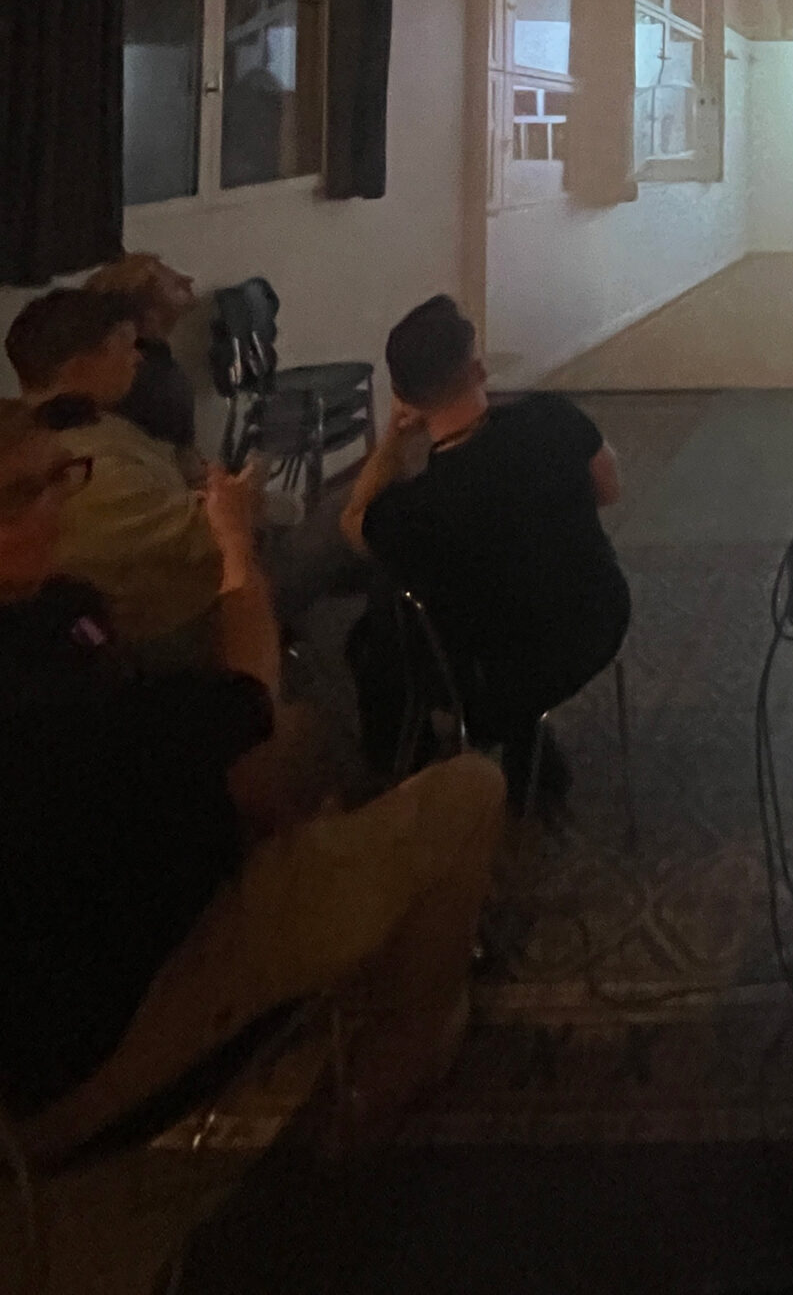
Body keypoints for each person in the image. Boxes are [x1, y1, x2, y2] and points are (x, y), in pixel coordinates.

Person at [0, 396, 505, 1157]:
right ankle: (397, 1065)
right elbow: (247, 694)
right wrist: (233, 540)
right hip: (95, 1037)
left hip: (117, 898)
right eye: (18, 496)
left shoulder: (55, 609)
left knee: (298, 748)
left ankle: (343, 909)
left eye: (58, 477)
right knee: (469, 790)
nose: (55, 506)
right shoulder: (36, 700)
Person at [342, 297, 630, 809]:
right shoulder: (552, 417)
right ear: (477, 370)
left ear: (403, 396)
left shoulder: (415, 511)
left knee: (381, 622)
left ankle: (405, 778)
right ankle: (530, 757)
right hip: (600, 621)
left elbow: (352, 523)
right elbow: (608, 489)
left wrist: (391, 442)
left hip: (500, 678)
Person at [6, 287, 221, 647]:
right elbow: (207, 536)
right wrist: (249, 488)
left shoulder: (96, 422)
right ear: (80, 366)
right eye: (124, 346)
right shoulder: (82, 465)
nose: (137, 357)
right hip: (173, 629)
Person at [86, 252, 199, 466]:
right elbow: (175, 460)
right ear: (147, 310)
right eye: (161, 269)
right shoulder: (149, 376)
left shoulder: (154, 368)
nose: (188, 279)